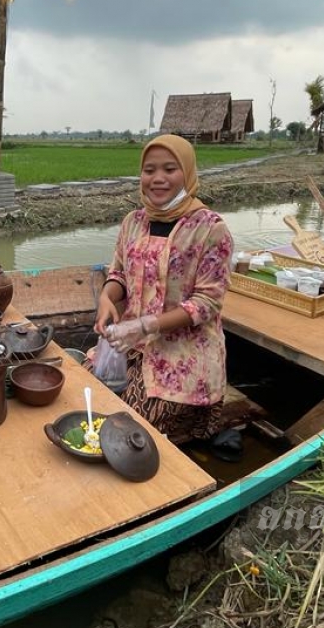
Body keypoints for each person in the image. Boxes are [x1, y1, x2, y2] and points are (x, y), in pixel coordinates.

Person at [92, 134, 241, 460]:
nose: (157, 178)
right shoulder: (133, 222)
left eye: (169, 169)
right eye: (149, 170)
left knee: (127, 428)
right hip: (133, 344)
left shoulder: (210, 228)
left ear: (186, 172)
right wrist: (107, 298)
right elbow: (119, 274)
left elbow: (207, 302)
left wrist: (147, 325)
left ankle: (198, 422)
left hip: (183, 355)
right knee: (89, 393)